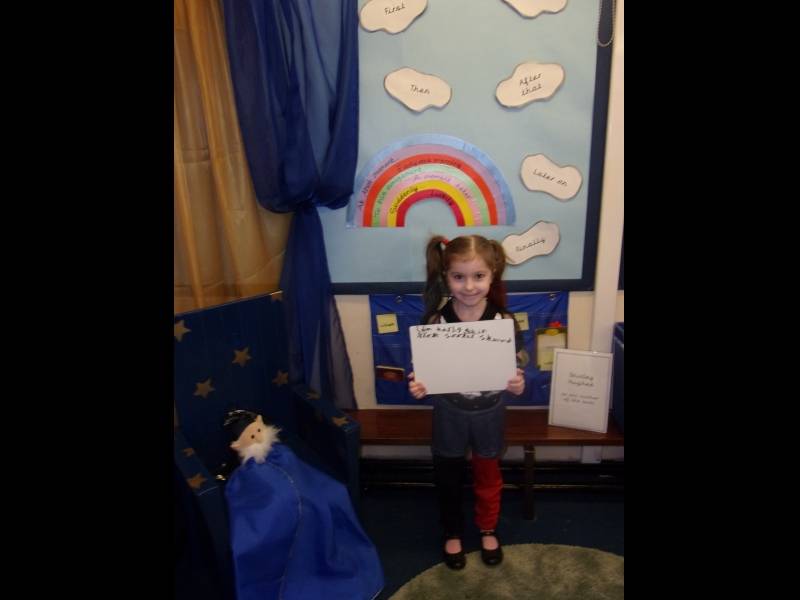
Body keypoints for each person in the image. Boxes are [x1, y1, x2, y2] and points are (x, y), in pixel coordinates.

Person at [409, 234, 527, 570]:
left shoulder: (504, 322)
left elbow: (518, 364)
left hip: (489, 413)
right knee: (448, 476)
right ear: (446, 276)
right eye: (459, 277)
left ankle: (488, 527)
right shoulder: (436, 322)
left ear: (492, 275)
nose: (469, 286)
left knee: (488, 474)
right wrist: (419, 384)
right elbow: (423, 371)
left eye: (479, 276)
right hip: (450, 412)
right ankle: (452, 531)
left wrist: (518, 382)